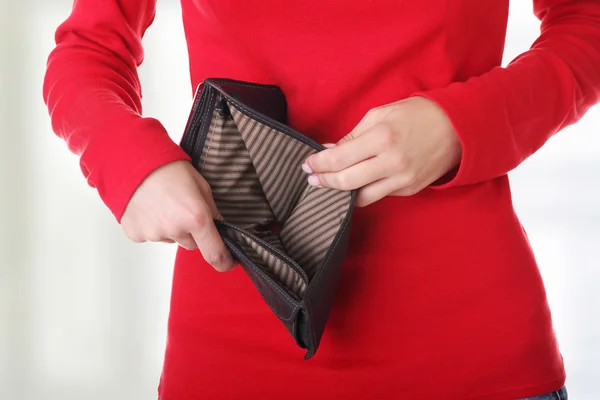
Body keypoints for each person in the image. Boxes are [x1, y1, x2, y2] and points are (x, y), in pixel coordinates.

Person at [42, 0, 599, 398]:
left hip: (472, 353)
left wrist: (461, 124)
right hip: (235, 350)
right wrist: (130, 165)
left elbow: (587, 24)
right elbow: (88, 51)